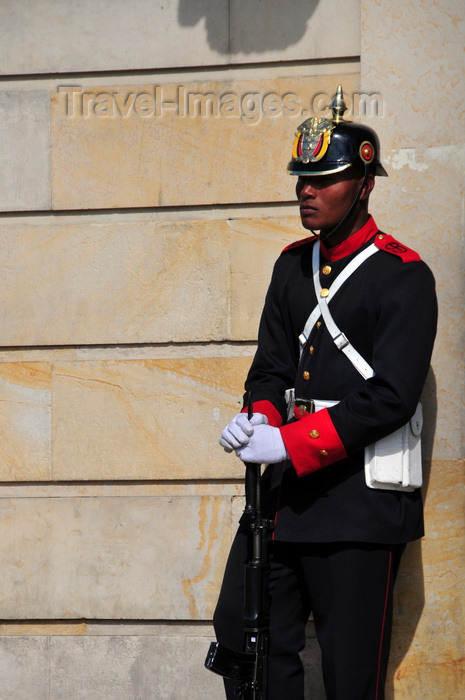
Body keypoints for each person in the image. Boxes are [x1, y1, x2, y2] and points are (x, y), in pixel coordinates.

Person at [212, 86, 438, 700]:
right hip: (283, 502)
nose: (306, 190)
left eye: (326, 178)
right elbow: (270, 368)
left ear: (364, 184)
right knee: (242, 639)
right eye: (302, 178)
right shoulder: (291, 266)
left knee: (349, 673)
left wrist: (289, 443)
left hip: (358, 507)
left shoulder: (404, 276)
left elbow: (392, 394)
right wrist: (258, 419)